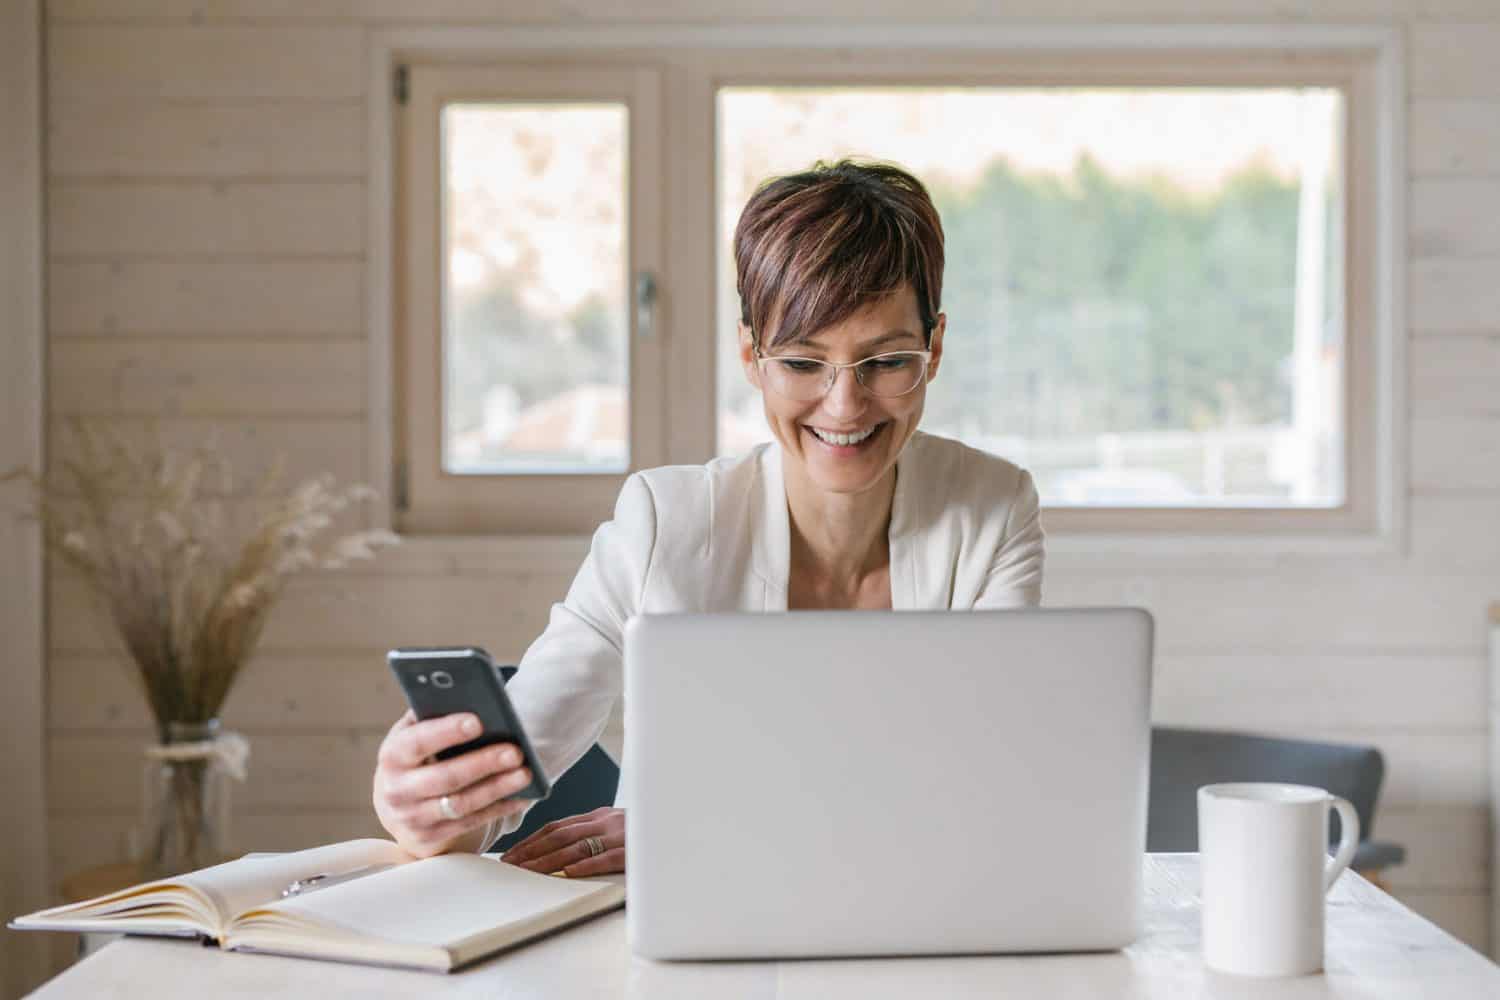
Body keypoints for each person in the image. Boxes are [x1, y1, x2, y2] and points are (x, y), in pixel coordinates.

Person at [372, 159, 1045, 875]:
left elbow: (985, 795)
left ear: (934, 350)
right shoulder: (665, 521)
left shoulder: (992, 511)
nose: (845, 405)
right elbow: (502, 778)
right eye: (802, 362)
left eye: (885, 361)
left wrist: (708, 830)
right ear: (752, 355)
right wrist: (425, 808)